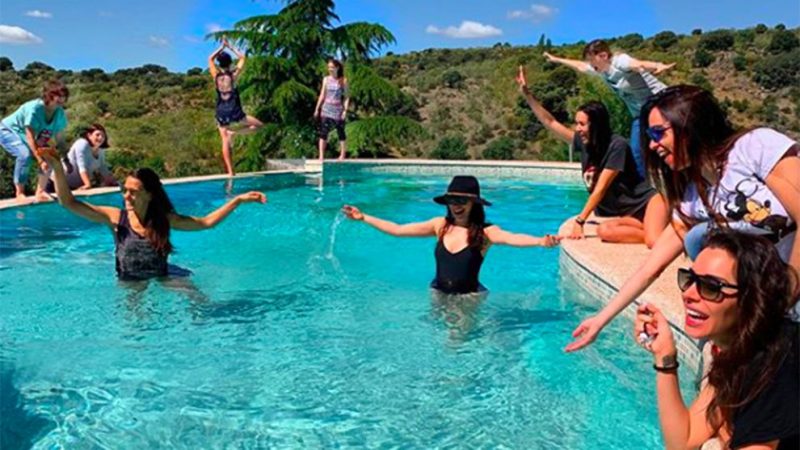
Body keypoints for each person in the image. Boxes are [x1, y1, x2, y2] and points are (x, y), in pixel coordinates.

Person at [566, 85, 799, 352]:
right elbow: (651, 268)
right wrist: (601, 319)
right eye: (649, 137)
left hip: (791, 286)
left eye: (658, 133)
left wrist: (787, 297)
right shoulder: (692, 197)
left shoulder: (753, 147)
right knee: (697, 238)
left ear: (689, 123)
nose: (652, 145)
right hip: (772, 293)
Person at [634, 231, 799, 449]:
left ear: (752, 297)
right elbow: (684, 440)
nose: (689, 294)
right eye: (689, 279)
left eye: (711, 287)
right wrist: (665, 357)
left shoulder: (778, 362)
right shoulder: (739, 349)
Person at [37, 147, 267, 280]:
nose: (126, 196)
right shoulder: (116, 218)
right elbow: (68, 202)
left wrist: (237, 200)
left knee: (197, 300)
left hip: (163, 276)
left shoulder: (163, 219)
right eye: (124, 190)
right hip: (130, 281)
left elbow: (206, 222)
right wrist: (57, 168)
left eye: (133, 192)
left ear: (149, 194)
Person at [515, 66, 668, 247]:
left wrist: (580, 221)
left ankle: (664, 232)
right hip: (625, 214)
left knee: (652, 241)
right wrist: (527, 95)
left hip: (647, 203)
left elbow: (600, 188)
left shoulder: (617, 145)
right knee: (605, 231)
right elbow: (550, 122)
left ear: (596, 125)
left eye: (582, 124)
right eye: (576, 123)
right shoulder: (584, 143)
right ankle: (660, 230)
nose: (577, 128)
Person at [341, 175, 560, 294]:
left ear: (473, 204)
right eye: (452, 200)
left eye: (462, 201)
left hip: (469, 298)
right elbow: (398, 230)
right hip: (437, 292)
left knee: (459, 343)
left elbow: (512, 238)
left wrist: (540, 241)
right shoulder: (440, 226)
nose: (456, 206)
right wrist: (364, 217)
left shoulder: (485, 233)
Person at [544, 39, 674, 178]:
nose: (590, 64)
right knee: (636, 153)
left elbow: (637, 64)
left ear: (604, 56)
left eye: (592, 60)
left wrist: (657, 65)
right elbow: (580, 66)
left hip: (663, 106)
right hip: (641, 114)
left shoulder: (620, 61)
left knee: (667, 143)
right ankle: (644, 187)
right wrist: (556, 59)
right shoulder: (602, 71)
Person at [0, 80, 69, 202]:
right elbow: (30, 137)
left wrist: (66, 159)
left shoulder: (59, 113)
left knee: (50, 156)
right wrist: (39, 160)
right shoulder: (35, 109)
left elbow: (60, 139)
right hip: (8, 130)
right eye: (58, 95)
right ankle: (20, 193)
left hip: (31, 137)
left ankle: (40, 192)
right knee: (24, 154)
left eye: (63, 96)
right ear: (49, 95)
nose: (61, 99)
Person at [208, 38, 264, 176]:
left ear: (219, 63)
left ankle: (230, 172)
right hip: (234, 111)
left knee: (224, 140)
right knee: (259, 125)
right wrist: (230, 46)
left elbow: (210, 58)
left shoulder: (215, 76)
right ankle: (234, 133)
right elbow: (242, 57)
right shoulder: (233, 75)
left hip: (221, 111)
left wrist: (221, 48)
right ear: (230, 63)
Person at [61, 123, 117, 190]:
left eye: (103, 136)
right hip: (58, 183)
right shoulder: (82, 144)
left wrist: (112, 181)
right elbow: (82, 166)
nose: (100, 138)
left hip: (75, 187)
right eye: (97, 135)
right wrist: (87, 184)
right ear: (89, 135)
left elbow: (103, 168)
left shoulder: (100, 150)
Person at [314, 58, 350, 161]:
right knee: (323, 132)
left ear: (337, 68)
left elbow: (347, 97)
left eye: (332, 67)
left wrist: (345, 111)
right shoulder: (326, 79)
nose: (330, 69)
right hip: (326, 108)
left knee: (340, 131)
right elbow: (322, 94)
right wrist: (317, 108)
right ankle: (321, 156)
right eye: (329, 67)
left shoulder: (343, 80)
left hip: (338, 109)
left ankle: (342, 154)